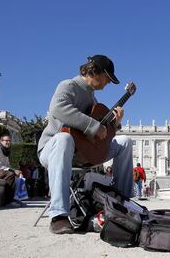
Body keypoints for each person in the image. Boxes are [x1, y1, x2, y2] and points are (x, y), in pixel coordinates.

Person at [37, 54, 134, 234]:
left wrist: (115, 123)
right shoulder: (68, 86)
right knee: (64, 138)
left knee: (125, 141)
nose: (107, 84)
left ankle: (121, 202)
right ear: (95, 71)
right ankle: (58, 215)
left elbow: (100, 134)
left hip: (82, 153)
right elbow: (57, 108)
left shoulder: (93, 100)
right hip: (53, 148)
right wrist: (93, 125)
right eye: (107, 78)